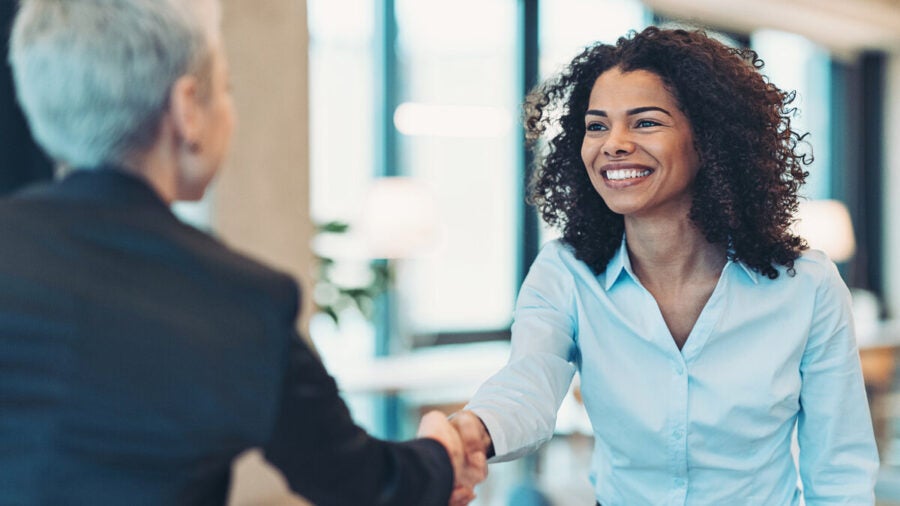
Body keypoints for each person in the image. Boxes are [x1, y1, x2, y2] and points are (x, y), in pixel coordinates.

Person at [0, 1, 485, 505]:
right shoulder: (239, 300)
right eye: (226, 88)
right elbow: (364, 484)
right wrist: (438, 452)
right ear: (187, 109)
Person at [449, 26, 879, 505]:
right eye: (596, 125)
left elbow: (839, 472)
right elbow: (528, 384)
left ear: (710, 140)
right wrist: (472, 430)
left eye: (645, 122)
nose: (613, 143)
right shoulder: (565, 273)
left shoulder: (808, 286)